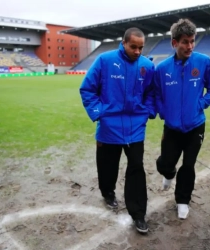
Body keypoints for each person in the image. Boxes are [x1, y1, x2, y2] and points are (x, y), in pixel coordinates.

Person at [79, 27, 155, 234]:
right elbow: (87, 89)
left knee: (136, 169)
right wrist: (99, 112)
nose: (138, 51)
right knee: (107, 166)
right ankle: (108, 193)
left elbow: (151, 92)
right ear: (123, 43)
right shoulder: (104, 60)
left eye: (141, 47)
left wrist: (147, 110)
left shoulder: (147, 66)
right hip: (109, 127)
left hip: (136, 128)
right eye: (133, 47)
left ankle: (138, 214)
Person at [154, 19, 210, 219]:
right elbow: (156, 94)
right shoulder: (162, 68)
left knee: (188, 165)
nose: (190, 46)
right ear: (174, 43)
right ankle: (168, 174)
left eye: (192, 41)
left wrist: (200, 104)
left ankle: (183, 200)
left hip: (195, 126)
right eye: (185, 42)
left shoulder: (204, 62)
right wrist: (163, 111)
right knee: (165, 163)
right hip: (172, 128)